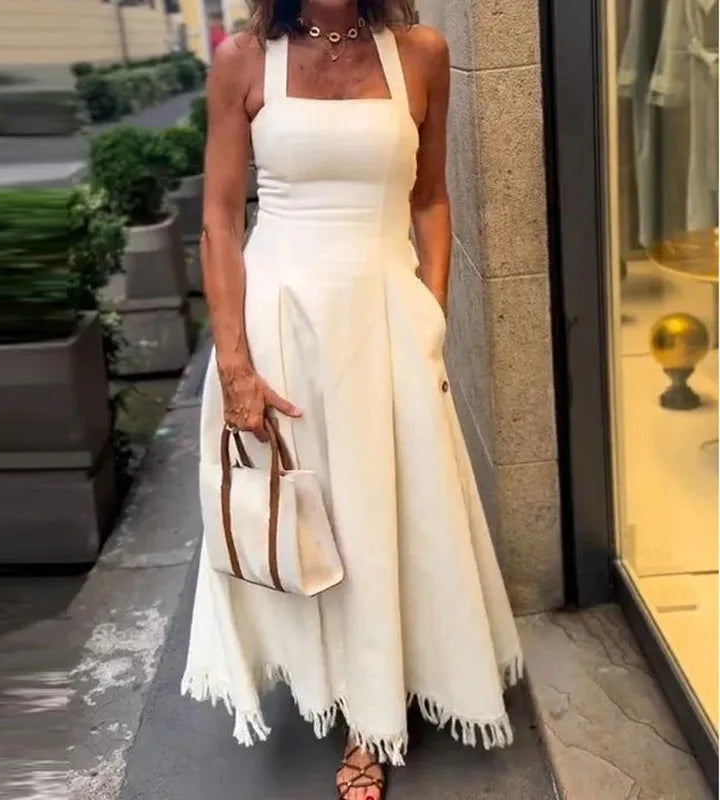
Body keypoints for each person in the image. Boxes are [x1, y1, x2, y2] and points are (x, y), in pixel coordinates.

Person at [181, 0, 523, 797]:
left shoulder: (423, 53)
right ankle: (334, 690)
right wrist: (234, 363)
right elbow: (220, 220)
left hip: (386, 319)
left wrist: (430, 316)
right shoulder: (242, 59)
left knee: (388, 515)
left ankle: (376, 716)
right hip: (277, 326)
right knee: (307, 516)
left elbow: (430, 199)